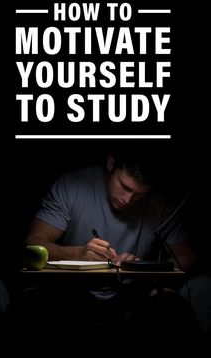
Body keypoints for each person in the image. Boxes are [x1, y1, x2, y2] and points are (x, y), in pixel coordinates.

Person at [24, 145, 210, 355]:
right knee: (35, 307)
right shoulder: (73, 185)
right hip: (73, 291)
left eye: (139, 195)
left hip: (132, 296)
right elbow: (33, 244)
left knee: (172, 309)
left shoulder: (160, 201)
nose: (127, 200)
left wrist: (142, 266)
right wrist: (78, 253)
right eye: (125, 187)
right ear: (111, 164)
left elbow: (188, 256)